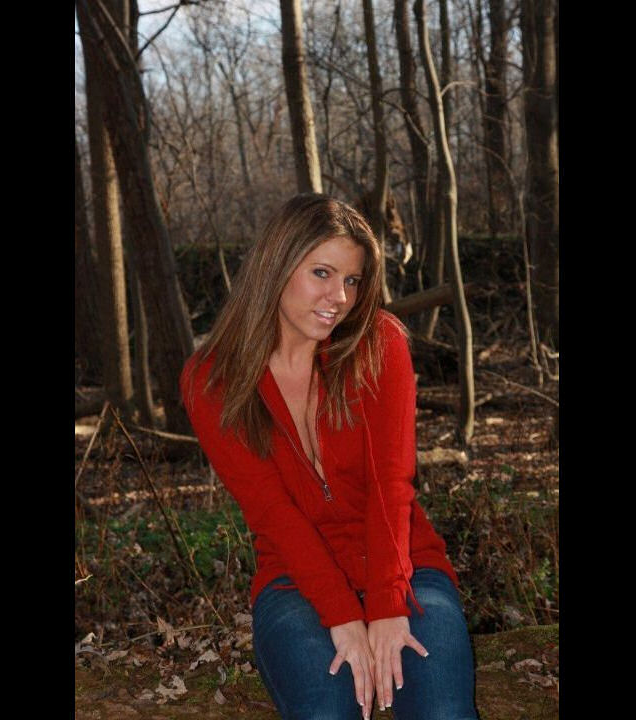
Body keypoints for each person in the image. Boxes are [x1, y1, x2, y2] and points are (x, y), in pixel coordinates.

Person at [180, 194, 478, 720]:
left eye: (352, 280)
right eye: (322, 272)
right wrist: (342, 615)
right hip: (294, 582)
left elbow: (391, 486)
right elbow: (271, 512)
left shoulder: (378, 344)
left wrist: (387, 606)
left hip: (407, 570)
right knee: (326, 712)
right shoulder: (212, 380)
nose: (339, 297)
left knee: (443, 712)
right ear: (276, 264)